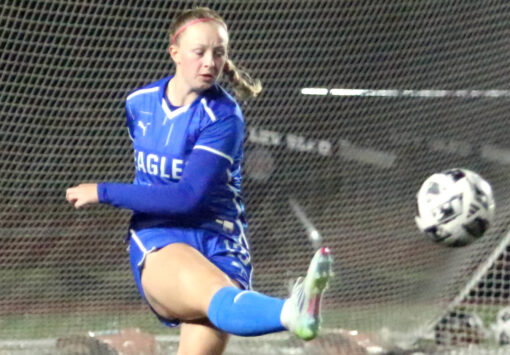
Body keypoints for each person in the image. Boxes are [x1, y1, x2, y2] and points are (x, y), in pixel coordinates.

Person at [65, 7, 333, 355]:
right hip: (160, 232)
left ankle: (292, 311)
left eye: (219, 53)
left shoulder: (224, 117)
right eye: (200, 52)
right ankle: (290, 311)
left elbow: (187, 196)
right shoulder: (139, 104)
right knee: (211, 295)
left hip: (220, 238)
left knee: (213, 313)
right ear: (174, 52)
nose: (210, 62)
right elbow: (170, 202)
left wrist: (102, 192)